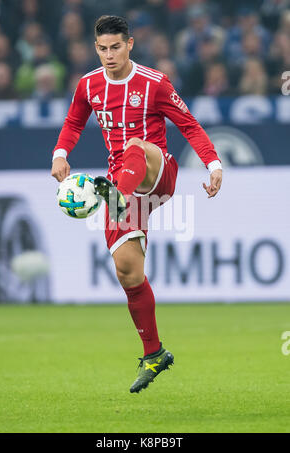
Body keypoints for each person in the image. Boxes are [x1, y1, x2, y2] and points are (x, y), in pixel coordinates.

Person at [51, 15, 222, 393]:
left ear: (130, 45)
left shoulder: (155, 83)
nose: (108, 55)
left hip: (155, 173)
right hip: (121, 189)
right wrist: (60, 152)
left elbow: (190, 125)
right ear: (95, 48)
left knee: (135, 147)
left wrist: (213, 164)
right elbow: (74, 122)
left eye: (115, 47)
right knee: (128, 273)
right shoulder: (88, 85)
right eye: (102, 48)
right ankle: (154, 353)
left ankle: (116, 196)